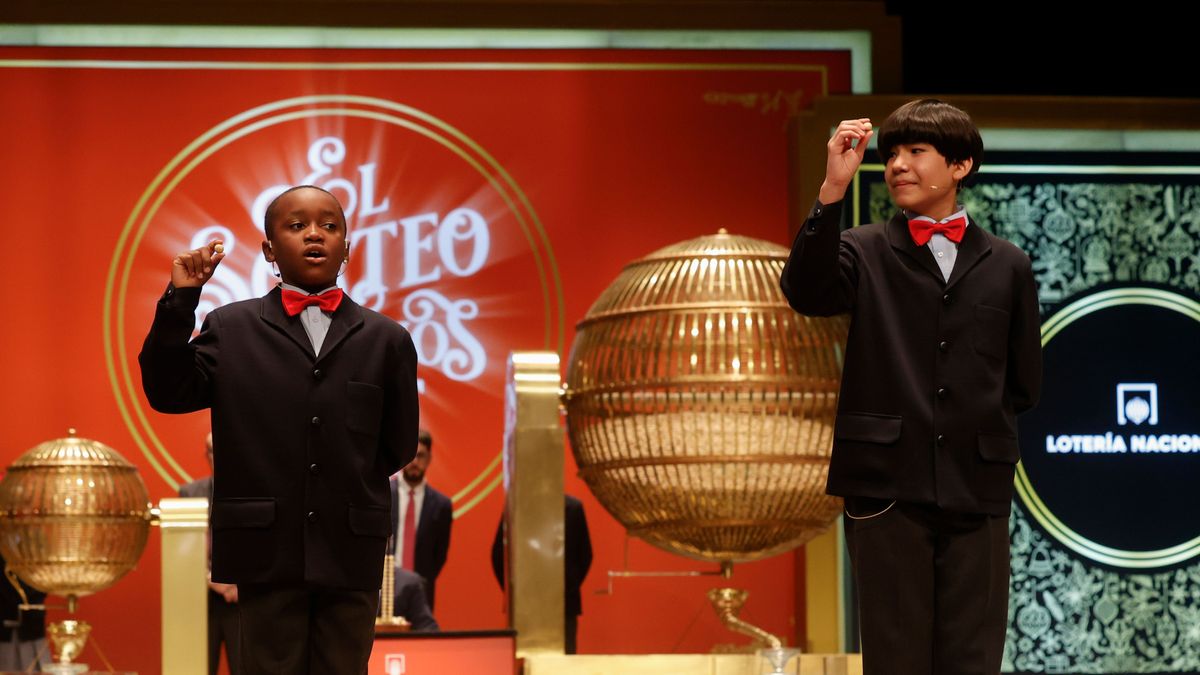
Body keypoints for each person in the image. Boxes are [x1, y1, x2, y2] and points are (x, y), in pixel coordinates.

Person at [779, 99, 1042, 674]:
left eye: (916, 151)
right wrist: (831, 190)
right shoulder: (863, 248)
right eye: (891, 153)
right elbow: (806, 291)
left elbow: (1023, 382)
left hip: (977, 484)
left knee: (973, 656)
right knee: (895, 653)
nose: (898, 164)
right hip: (884, 487)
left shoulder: (1009, 264)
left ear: (960, 166)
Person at [141, 184, 420, 674]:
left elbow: (396, 446)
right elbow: (168, 392)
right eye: (296, 226)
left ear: (347, 247)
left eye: (329, 226)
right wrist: (182, 299)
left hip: (349, 551)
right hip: (264, 550)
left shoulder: (387, 340)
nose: (315, 235)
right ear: (269, 249)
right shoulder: (230, 327)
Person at [491, 494, 593, 654]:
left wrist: (515, 592)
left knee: (533, 659)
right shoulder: (573, 507)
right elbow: (585, 556)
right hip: (549, 602)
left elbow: (498, 555)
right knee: (556, 661)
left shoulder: (517, 506)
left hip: (534, 601)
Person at [178, 432, 241, 675]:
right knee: (199, 667)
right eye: (213, 451)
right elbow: (182, 551)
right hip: (201, 601)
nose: (218, 456)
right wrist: (210, 579)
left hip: (241, 600)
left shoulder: (251, 495)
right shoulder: (189, 494)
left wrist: (236, 584)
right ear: (207, 455)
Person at [389, 429, 452, 609]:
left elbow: (439, 556)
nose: (415, 462)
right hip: (384, 592)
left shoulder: (442, 505)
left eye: (421, 456)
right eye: (411, 456)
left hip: (421, 594)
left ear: (429, 459)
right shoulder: (384, 495)